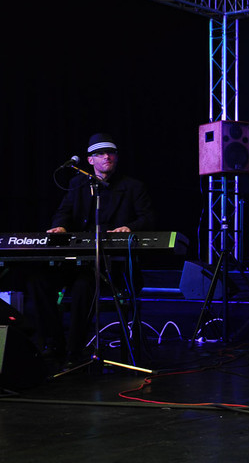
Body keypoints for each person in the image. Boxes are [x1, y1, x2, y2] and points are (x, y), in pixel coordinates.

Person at [28, 133, 155, 365]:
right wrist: (60, 226)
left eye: (111, 153)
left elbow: (148, 218)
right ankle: (54, 342)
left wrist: (129, 227)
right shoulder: (77, 184)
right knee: (39, 280)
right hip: (78, 259)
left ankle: (74, 350)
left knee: (83, 286)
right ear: (90, 160)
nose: (107, 157)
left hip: (110, 264)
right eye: (100, 153)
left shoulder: (132, 187)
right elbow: (63, 212)